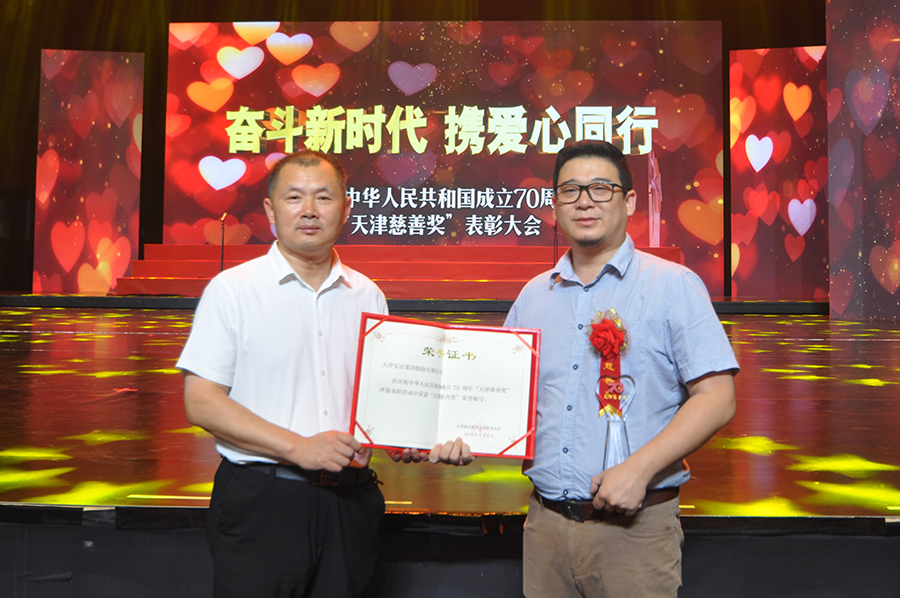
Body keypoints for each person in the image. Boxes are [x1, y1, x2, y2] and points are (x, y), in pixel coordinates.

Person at [177, 149, 473, 598]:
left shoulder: (367, 294)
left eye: (324, 197)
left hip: (350, 503)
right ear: (270, 210)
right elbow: (202, 401)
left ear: (346, 208)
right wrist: (299, 447)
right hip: (264, 502)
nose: (310, 210)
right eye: (294, 197)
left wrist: (405, 435)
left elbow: (378, 397)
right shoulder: (233, 290)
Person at [504, 140, 739, 597]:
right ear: (555, 205)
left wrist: (639, 470)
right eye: (570, 190)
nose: (584, 201)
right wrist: (452, 434)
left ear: (629, 201)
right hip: (545, 528)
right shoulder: (534, 296)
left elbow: (717, 397)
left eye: (600, 188)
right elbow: (506, 396)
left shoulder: (672, 286)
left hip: (635, 533)